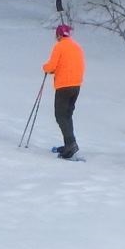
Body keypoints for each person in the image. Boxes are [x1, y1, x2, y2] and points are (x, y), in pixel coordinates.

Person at [42, 23, 85, 159]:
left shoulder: (59, 46)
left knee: (60, 116)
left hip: (63, 86)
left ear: (59, 35)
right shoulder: (77, 47)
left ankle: (71, 145)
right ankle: (69, 144)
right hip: (76, 86)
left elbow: (51, 66)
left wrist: (46, 68)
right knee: (67, 115)